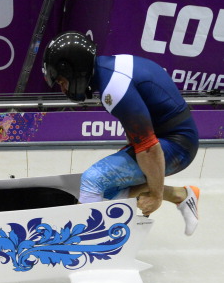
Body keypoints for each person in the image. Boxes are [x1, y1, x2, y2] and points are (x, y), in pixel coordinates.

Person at [42, 31, 200, 235]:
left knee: (93, 179)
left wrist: (156, 195)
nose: (63, 89)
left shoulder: (114, 88)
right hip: (172, 138)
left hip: (178, 146)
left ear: (75, 70)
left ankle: (85, 246)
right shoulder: (108, 68)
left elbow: (149, 149)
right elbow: (138, 130)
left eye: (62, 82)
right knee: (109, 190)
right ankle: (182, 195)